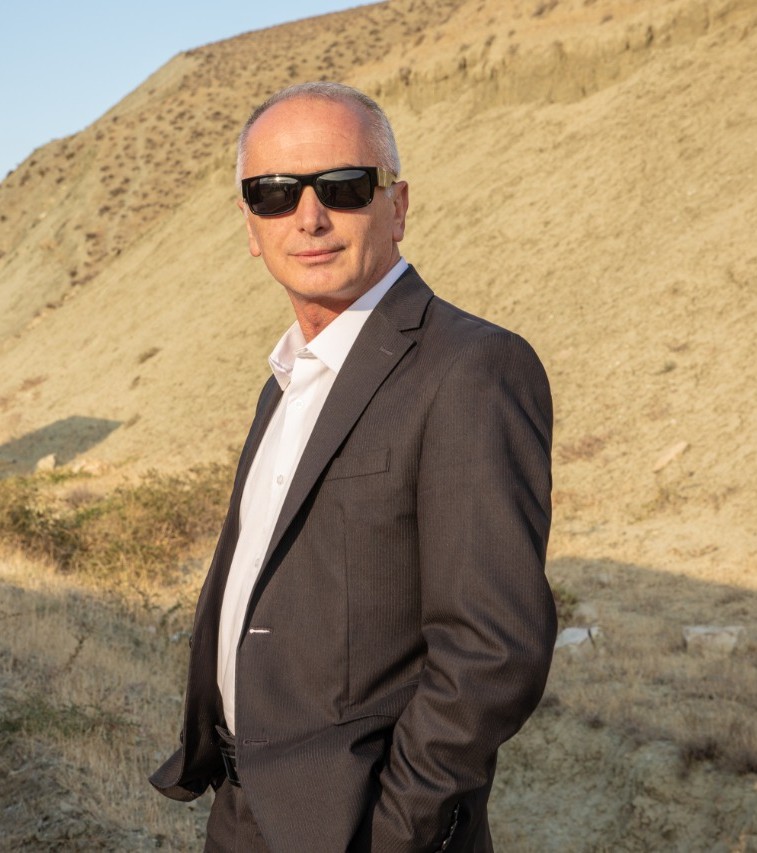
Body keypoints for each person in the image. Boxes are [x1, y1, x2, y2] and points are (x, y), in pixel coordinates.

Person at [150, 81, 556, 852]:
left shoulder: (470, 369)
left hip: (359, 825)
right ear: (250, 225)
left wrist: (395, 829)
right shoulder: (287, 379)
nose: (308, 217)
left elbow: (492, 648)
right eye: (273, 194)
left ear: (396, 206)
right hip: (241, 811)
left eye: (342, 186)